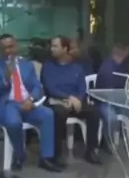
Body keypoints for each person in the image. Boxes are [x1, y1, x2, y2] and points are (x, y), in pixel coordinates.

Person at [0, 33, 60, 171]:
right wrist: (6, 78)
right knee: (13, 123)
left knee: (48, 114)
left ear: (16, 46)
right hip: (7, 104)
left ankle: (46, 158)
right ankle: (20, 154)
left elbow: (37, 87)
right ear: (0, 50)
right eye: (4, 48)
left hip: (27, 103)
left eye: (10, 47)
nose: (8, 51)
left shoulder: (27, 64)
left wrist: (31, 99)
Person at [41, 36, 102, 165]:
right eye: (52, 46)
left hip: (75, 101)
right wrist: (68, 98)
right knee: (59, 113)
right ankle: (56, 155)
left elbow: (82, 87)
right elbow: (50, 88)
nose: (51, 49)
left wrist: (77, 99)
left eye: (55, 46)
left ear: (65, 49)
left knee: (94, 112)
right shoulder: (48, 66)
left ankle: (91, 151)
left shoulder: (77, 67)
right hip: (55, 101)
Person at [95, 44, 129, 142]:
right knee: (111, 118)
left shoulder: (124, 65)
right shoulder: (107, 68)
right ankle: (108, 143)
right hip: (105, 102)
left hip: (120, 101)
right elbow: (107, 93)